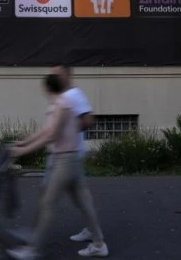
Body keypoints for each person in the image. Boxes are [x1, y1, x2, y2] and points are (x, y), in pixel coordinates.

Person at [7, 74, 109, 259]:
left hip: (64, 161)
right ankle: (99, 244)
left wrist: (23, 151)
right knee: (83, 203)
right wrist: (23, 142)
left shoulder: (60, 106)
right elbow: (46, 130)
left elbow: (51, 135)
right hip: (72, 160)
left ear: (47, 88)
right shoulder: (62, 104)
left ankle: (31, 250)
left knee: (48, 204)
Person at [53, 64, 102, 245]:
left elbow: (88, 120)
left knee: (50, 196)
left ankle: (97, 239)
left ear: (67, 76)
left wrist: (68, 132)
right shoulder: (63, 96)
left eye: (58, 75)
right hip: (66, 153)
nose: (54, 78)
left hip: (70, 154)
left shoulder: (74, 95)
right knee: (80, 196)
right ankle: (94, 234)